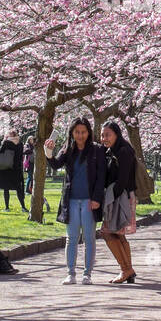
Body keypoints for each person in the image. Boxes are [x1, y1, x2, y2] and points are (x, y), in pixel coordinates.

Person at [45, 118, 105, 284]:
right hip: (71, 200)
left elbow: (101, 177)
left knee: (89, 238)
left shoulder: (97, 150)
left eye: (83, 132)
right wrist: (48, 152)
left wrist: (97, 198)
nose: (80, 135)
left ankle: (87, 273)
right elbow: (56, 165)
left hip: (89, 201)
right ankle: (71, 273)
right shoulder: (68, 150)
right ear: (72, 132)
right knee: (71, 238)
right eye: (77, 132)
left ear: (89, 132)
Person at [99, 121, 138, 283]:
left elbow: (122, 179)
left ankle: (125, 269)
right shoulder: (112, 150)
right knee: (117, 233)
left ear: (117, 134)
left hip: (121, 198)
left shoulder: (123, 151)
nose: (104, 138)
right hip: (121, 196)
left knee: (107, 232)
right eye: (102, 135)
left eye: (107, 135)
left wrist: (108, 200)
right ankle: (129, 270)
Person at [0, 132, 27, 211]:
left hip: (7, 169)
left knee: (6, 188)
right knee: (19, 189)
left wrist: (3, 141)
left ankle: (7, 207)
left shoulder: (6, 143)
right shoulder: (20, 144)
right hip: (17, 169)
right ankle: (23, 207)